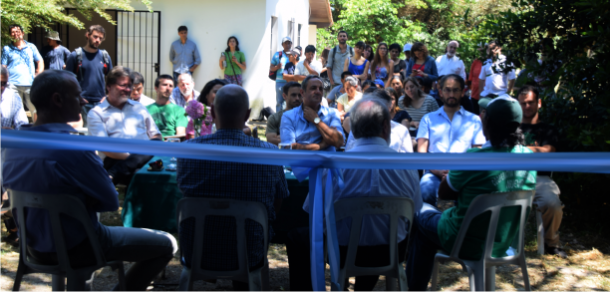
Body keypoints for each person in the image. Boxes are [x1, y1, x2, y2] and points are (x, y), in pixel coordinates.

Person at [3, 70, 177, 292]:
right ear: (57, 99)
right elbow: (111, 202)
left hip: (33, 249)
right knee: (168, 244)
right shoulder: (76, 150)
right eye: (77, 95)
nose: (84, 100)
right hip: (80, 246)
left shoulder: (14, 147)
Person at [286, 98, 421, 292]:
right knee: (379, 230)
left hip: (341, 252)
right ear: (386, 127)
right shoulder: (407, 168)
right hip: (390, 253)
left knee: (297, 237)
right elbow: (415, 210)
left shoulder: (332, 168)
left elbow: (312, 212)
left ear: (354, 129)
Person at [408, 98, 537, 292]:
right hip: (502, 244)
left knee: (419, 211)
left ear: (487, 124)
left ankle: (414, 289)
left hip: (463, 240)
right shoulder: (528, 158)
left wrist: (452, 175)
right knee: (425, 232)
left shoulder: (473, 159)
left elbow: (444, 193)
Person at [177, 85, 289, 292]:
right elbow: (277, 202)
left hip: (199, 250)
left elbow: (185, 195)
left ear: (211, 112)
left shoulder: (188, 152)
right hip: (250, 252)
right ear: (247, 115)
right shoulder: (270, 154)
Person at [416, 75, 486, 205]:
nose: (451, 94)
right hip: (434, 173)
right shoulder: (428, 119)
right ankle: (435, 223)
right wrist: (438, 171)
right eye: (447, 90)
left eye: (456, 90)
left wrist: (459, 171)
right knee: (425, 189)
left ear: (462, 92)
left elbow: (478, 152)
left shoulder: (474, 120)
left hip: (464, 173)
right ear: (440, 92)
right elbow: (421, 153)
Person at [88, 66, 162, 185]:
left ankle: (114, 175)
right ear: (108, 86)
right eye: (123, 85)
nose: (128, 89)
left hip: (143, 157)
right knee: (141, 175)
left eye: (129, 86)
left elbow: (156, 136)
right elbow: (104, 147)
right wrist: (136, 158)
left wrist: (139, 157)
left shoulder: (139, 107)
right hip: (115, 160)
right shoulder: (97, 113)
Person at [517, 84, 567, 258]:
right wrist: (534, 150)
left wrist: (519, 150)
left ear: (539, 103)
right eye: (523, 103)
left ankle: (551, 243)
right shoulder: (510, 129)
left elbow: (548, 151)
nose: (527, 106)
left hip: (541, 178)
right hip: (513, 177)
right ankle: (500, 242)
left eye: (530, 102)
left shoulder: (548, 129)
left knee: (552, 203)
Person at [0, 65, 28, 246]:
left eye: (3, 83)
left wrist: (14, 133)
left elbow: (22, 125)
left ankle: (14, 229)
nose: (0, 87)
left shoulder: (12, 97)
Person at [280, 75, 344, 151]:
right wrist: (321, 145)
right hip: (299, 162)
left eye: (320, 89)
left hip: (326, 162)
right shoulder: (288, 116)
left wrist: (316, 121)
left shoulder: (332, 113)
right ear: (302, 93)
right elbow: (288, 148)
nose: (318, 91)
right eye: (313, 88)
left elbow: (339, 142)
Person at [65, 24, 113, 125]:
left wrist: (107, 96)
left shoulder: (105, 56)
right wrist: (77, 97)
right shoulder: (76, 55)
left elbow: (112, 79)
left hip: (101, 102)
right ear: (87, 35)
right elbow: (67, 80)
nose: (97, 40)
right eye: (95, 36)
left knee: (100, 132)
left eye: (100, 38)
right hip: (82, 103)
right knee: (85, 133)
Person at [345, 89, 413, 153]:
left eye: (379, 107)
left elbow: (408, 160)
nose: (374, 109)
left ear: (389, 108)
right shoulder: (357, 128)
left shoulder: (401, 130)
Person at [1, 24, 44, 121]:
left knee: (34, 108)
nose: (15, 34)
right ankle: (19, 130)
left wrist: (38, 74)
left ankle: (37, 129)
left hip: (30, 83)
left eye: (17, 32)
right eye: (13, 32)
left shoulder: (31, 47)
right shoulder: (7, 49)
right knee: (16, 109)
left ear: (23, 33)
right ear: (10, 35)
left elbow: (40, 61)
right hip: (12, 84)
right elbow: (3, 66)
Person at [270, 36, 293, 112]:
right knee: (279, 102)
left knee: (290, 102)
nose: (287, 45)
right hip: (279, 82)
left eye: (289, 43)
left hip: (290, 82)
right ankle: (279, 120)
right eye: (285, 43)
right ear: (282, 44)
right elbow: (271, 67)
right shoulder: (277, 54)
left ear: (291, 44)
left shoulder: (294, 54)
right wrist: (277, 67)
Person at [466, 43, 487, 114]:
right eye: (480, 49)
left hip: (486, 95)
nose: (482, 51)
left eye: (484, 49)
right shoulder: (475, 62)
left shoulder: (491, 62)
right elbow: (470, 79)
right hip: (474, 95)